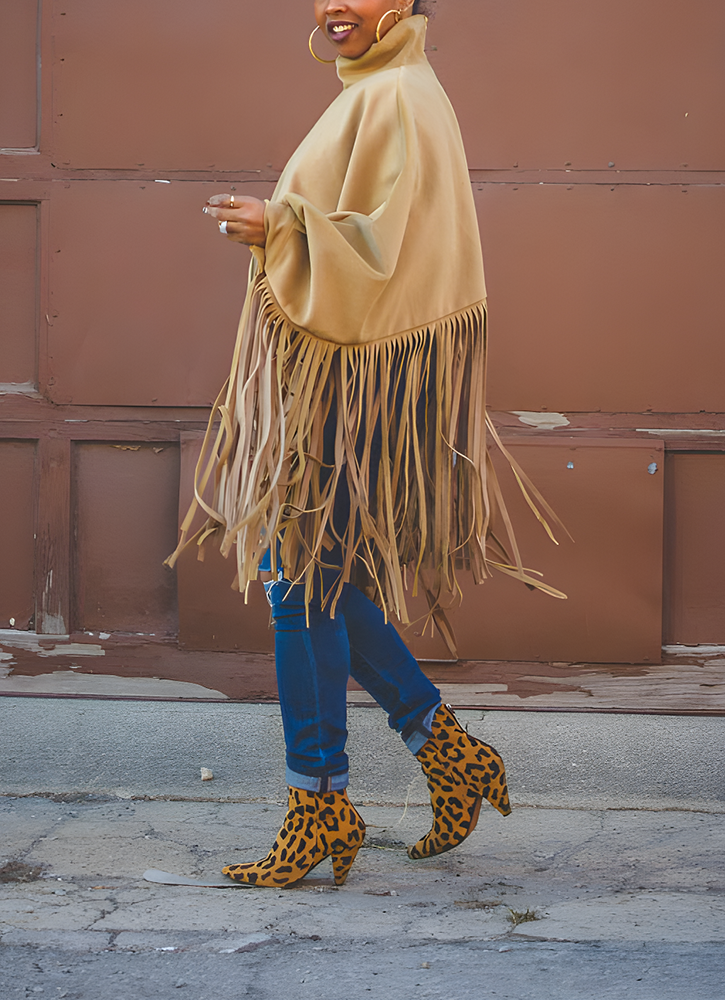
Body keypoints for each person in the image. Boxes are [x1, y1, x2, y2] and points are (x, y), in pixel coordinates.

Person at [169, 0, 564, 888]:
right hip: (351, 379)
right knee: (322, 580)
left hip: (359, 386)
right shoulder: (379, 89)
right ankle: (445, 750)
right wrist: (281, 226)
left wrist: (280, 228)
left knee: (296, 581)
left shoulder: (399, 96)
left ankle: (320, 801)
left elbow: (384, 251)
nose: (332, 6)